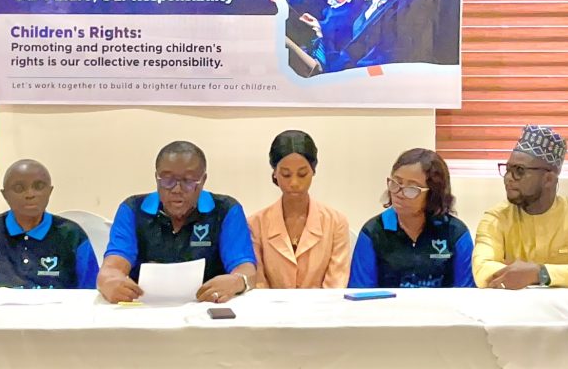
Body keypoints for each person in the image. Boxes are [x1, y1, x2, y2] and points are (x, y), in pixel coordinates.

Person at [98, 141, 256, 304]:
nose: (176, 189)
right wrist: (109, 281)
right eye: (167, 179)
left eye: (188, 180)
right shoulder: (133, 209)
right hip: (143, 307)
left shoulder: (225, 210)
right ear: (156, 178)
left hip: (209, 307)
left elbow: (246, 269)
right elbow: (112, 266)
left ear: (203, 180)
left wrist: (238, 281)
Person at [472, 125, 568, 289]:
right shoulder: (496, 218)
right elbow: (483, 271)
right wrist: (566, 275)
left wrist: (540, 273)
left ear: (549, 179)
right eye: (508, 169)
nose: (508, 178)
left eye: (519, 170)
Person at [0, 159, 98, 296]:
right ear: (5, 195)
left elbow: (91, 293)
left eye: (39, 186)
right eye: (19, 188)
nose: (30, 194)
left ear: (49, 191)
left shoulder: (72, 236)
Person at [349, 148, 474, 288]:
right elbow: (360, 292)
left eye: (412, 189)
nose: (399, 193)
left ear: (433, 194)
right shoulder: (373, 231)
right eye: (396, 183)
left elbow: (467, 292)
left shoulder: (455, 232)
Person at [248, 130, 350, 288]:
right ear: (275, 173)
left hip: (324, 304)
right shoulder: (255, 224)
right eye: (286, 174)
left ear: (313, 171)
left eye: (302, 174)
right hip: (270, 304)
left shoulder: (336, 223)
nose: (294, 183)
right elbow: (259, 284)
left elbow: (335, 286)